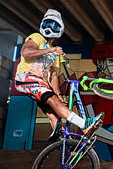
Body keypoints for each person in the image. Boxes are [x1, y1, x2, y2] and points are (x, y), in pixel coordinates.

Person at [14, 9, 104, 139]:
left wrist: (59, 95)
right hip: (26, 76)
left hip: (40, 82)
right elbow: (26, 52)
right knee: (51, 99)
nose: (50, 29)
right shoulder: (37, 37)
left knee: (53, 112)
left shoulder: (55, 54)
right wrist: (50, 50)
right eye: (47, 24)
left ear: (59, 30)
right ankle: (84, 124)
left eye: (54, 25)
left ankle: (64, 142)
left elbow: (53, 76)